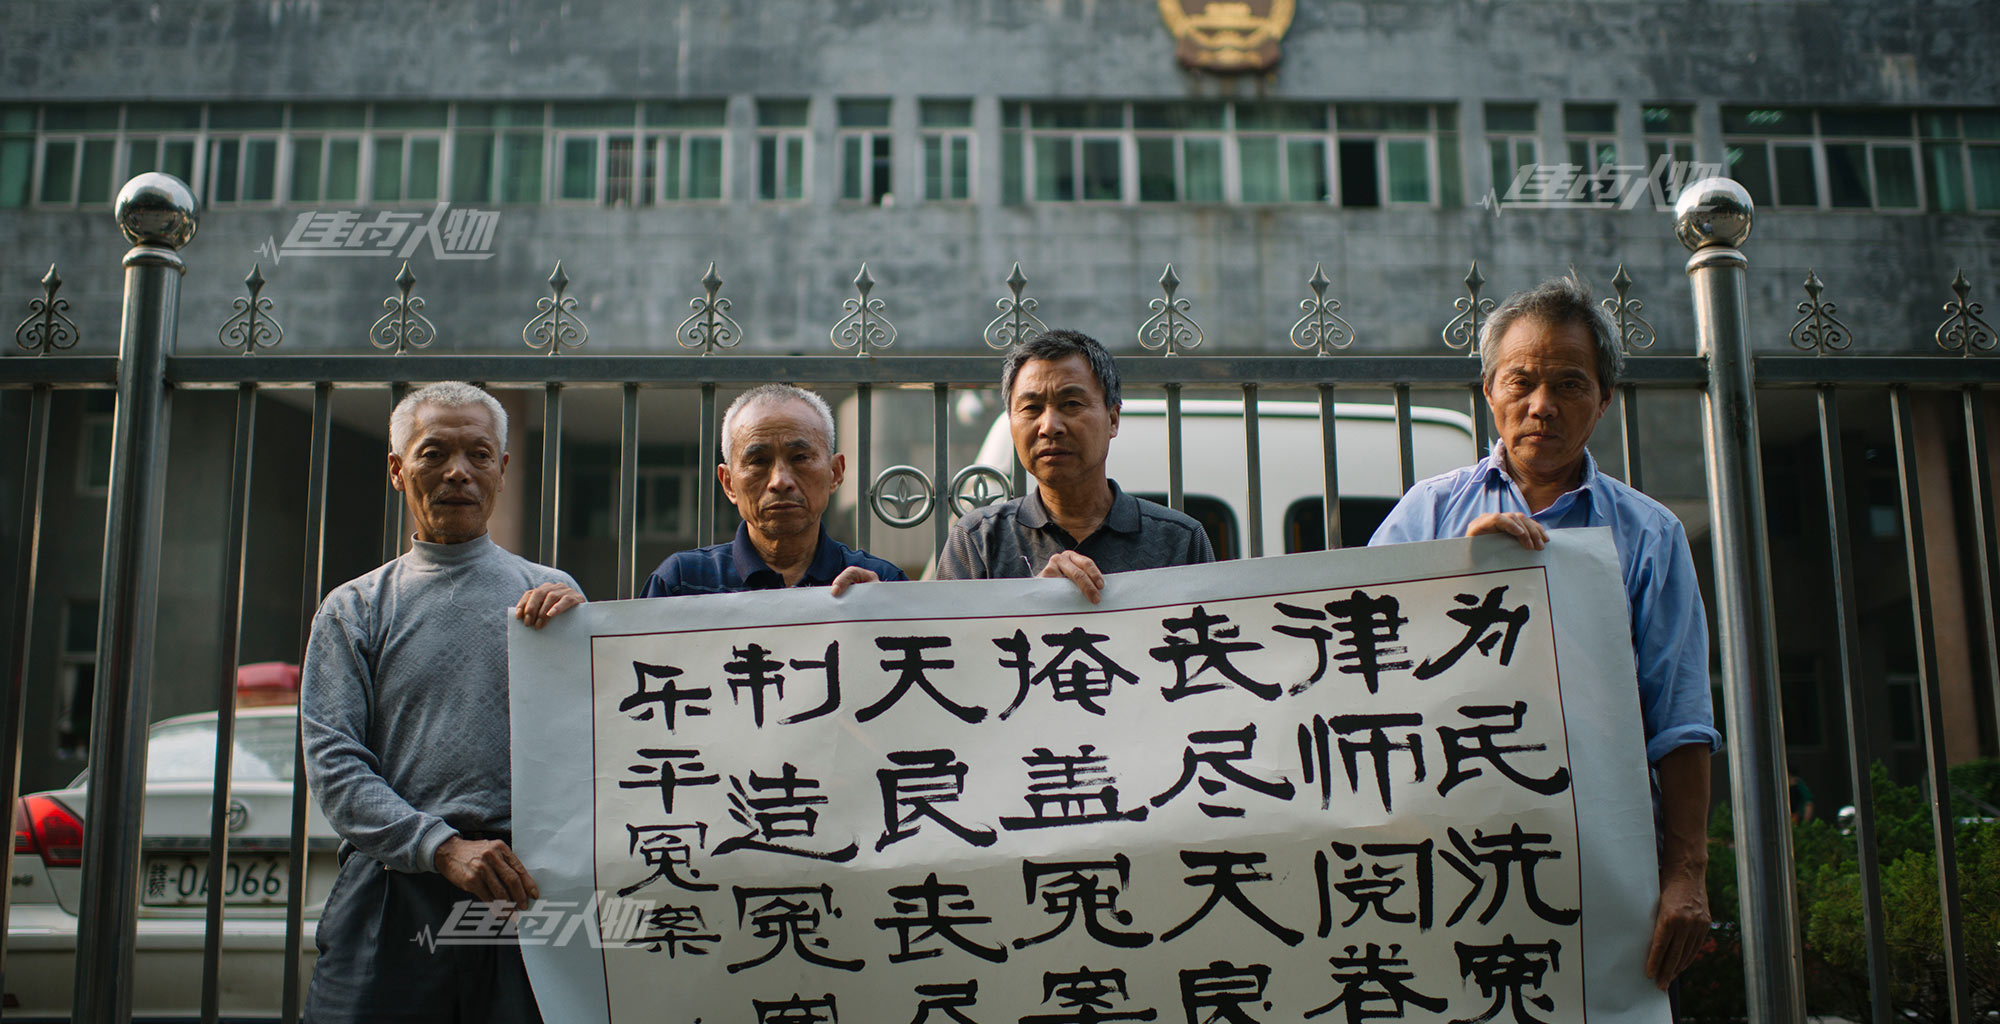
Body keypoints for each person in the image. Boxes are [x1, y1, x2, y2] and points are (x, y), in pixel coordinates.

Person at [1368, 276, 1722, 995]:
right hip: (1441, 842)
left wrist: (1686, 876)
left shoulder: (1649, 535)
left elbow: (1680, 719)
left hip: (1601, 856)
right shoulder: (1427, 514)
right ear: (1489, 389)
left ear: (1604, 399)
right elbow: (1361, 660)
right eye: (1520, 381)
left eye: (1569, 383)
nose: (1541, 406)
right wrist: (1456, 573)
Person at [301, 381, 583, 1024]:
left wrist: (585, 642)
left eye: (479, 454)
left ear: (503, 469)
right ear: (399, 469)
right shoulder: (353, 608)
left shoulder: (554, 596)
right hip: (392, 890)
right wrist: (441, 847)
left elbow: (597, 744)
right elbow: (335, 765)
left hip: (523, 888)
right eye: (434, 453)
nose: (458, 471)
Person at [936, 328, 1214, 601]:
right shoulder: (977, 542)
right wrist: (1036, 603)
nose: (1049, 427)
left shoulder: (1179, 541)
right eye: (1031, 408)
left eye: (1070, 403)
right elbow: (952, 644)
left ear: (1113, 419)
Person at [640, 383, 907, 596]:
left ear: (835, 473)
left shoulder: (880, 582)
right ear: (729, 483)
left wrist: (879, 609)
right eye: (758, 461)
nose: (779, 481)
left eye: (800, 457)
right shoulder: (681, 584)